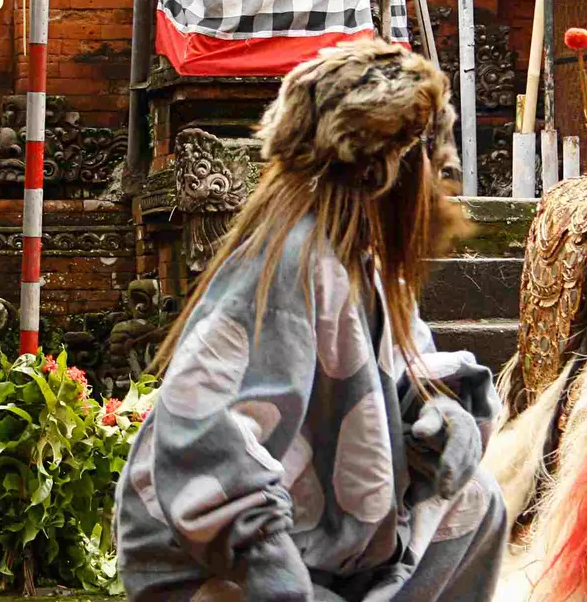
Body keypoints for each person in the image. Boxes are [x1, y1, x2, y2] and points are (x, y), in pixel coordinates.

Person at [115, 39, 507, 601]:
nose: (444, 174)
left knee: (475, 503)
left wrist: (442, 414)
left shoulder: (365, 263)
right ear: (383, 166)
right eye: (429, 152)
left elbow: (409, 371)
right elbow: (201, 423)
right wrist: (272, 571)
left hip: (327, 542)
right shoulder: (291, 262)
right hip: (224, 564)